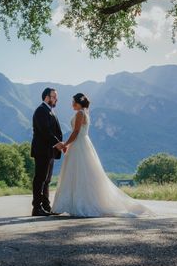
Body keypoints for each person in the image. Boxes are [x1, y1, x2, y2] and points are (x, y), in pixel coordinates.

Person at [52, 93, 153, 217]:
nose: (71, 104)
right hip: (83, 144)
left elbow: (76, 132)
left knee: (76, 174)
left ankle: (75, 205)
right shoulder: (85, 113)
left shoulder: (80, 114)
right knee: (82, 175)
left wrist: (65, 144)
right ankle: (74, 204)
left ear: (78, 102)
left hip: (79, 145)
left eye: (73, 102)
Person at [31, 87, 64, 216]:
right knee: (40, 178)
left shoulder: (50, 111)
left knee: (47, 180)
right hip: (42, 150)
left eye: (56, 97)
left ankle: (46, 206)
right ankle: (36, 208)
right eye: (54, 97)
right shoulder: (41, 110)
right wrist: (57, 143)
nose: (56, 99)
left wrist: (58, 144)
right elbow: (45, 131)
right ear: (46, 97)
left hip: (49, 151)